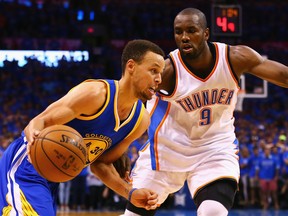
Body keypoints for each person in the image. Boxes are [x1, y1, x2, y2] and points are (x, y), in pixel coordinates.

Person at [123, 8, 288, 216]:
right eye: (178, 32)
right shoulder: (167, 71)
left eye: (191, 30)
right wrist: (121, 144)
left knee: (213, 212)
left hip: (214, 149)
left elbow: (283, 75)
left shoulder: (235, 58)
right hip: (166, 152)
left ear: (206, 33)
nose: (184, 37)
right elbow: (127, 99)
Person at [0, 39, 165, 215]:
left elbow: (100, 165)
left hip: (54, 177)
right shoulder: (95, 94)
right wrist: (33, 135)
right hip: (26, 166)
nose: (159, 79)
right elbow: (39, 121)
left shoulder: (140, 121)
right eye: (153, 70)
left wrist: (130, 193)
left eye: (161, 73)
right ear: (131, 66)